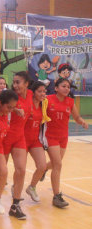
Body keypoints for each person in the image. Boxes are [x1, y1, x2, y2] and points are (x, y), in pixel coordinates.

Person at [43, 78, 88, 208]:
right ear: (56, 88)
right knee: (58, 164)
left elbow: (77, 117)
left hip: (63, 137)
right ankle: (57, 196)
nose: (67, 88)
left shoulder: (70, 102)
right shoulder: (48, 100)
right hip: (50, 136)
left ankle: (44, 168)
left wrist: (82, 122)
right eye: (63, 86)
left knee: (56, 164)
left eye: (68, 87)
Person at [3, 71, 33, 220]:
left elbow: (44, 96)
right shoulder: (10, 96)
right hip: (5, 136)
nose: (15, 85)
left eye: (18, 82)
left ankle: (15, 205)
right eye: (13, 82)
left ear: (26, 83)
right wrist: (15, 109)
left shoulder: (31, 95)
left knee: (20, 170)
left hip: (20, 137)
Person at [24, 81, 48, 202]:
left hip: (35, 141)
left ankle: (32, 187)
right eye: (40, 91)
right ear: (33, 92)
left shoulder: (44, 105)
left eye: (44, 91)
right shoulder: (27, 104)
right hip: (22, 141)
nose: (43, 93)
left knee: (42, 166)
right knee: (20, 169)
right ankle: (15, 187)